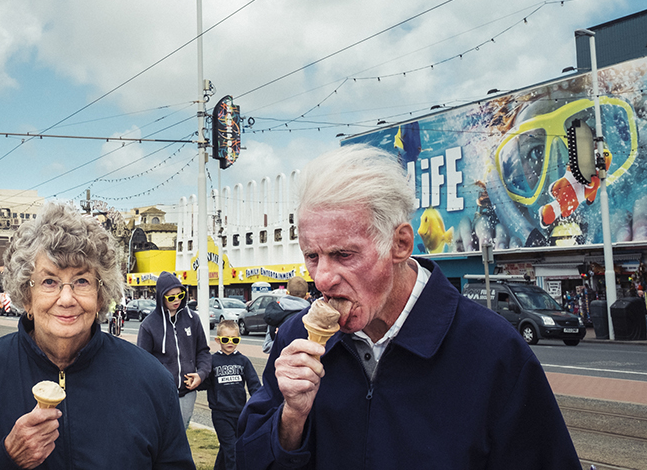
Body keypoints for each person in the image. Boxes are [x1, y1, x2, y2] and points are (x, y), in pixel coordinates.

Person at [237, 145, 582, 470]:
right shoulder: (296, 338)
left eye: (344, 255)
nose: (323, 279)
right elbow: (245, 457)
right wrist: (291, 419)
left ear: (400, 244)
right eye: (312, 256)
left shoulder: (493, 349)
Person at [0, 203, 194, 469]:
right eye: (49, 281)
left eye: (82, 281)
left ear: (101, 295)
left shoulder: (151, 381)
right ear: (26, 295)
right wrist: (5, 460)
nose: (66, 298)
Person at [137, 271, 212, 429]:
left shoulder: (193, 319)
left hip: (187, 394)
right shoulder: (148, 325)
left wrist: (201, 374)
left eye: (180, 294)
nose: (177, 300)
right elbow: (141, 365)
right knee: (161, 439)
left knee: (181, 437)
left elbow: (203, 352)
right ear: (161, 297)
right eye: (171, 297)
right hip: (161, 396)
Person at [204, 320, 261, 470]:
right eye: (225, 339)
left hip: (240, 413)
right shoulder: (211, 360)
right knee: (231, 450)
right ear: (218, 340)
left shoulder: (243, 361)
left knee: (228, 447)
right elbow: (205, 382)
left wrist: (258, 403)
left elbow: (254, 385)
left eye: (234, 339)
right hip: (220, 414)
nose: (230, 342)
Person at [261, 276, 310, 353]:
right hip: (306, 363)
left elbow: (266, 347)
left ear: (287, 293)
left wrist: (281, 339)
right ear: (307, 296)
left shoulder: (276, 312)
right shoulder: (312, 314)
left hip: (280, 362)